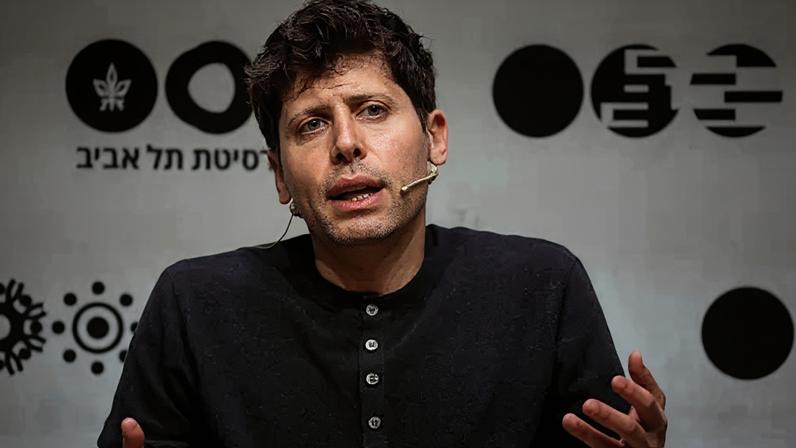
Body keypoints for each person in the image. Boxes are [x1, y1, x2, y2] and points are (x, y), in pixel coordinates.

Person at [98, 1, 668, 447]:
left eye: (373, 110)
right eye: (311, 124)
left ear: (434, 137)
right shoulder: (195, 302)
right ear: (279, 175)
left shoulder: (542, 284)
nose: (346, 144)